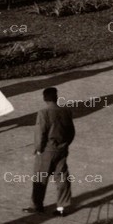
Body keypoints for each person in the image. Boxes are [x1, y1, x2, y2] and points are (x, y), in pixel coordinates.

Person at [28, 87, 75, 216]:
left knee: (40, 177)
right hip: (61, 149)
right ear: (57, 98)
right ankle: (62, 207)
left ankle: (37, 205)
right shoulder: (66, 111)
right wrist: (65, 144)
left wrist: (38, 148)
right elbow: (71, 132)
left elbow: (40, 133)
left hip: (47, 150)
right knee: (62, 177)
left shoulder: (44, 113)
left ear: (44, 99)